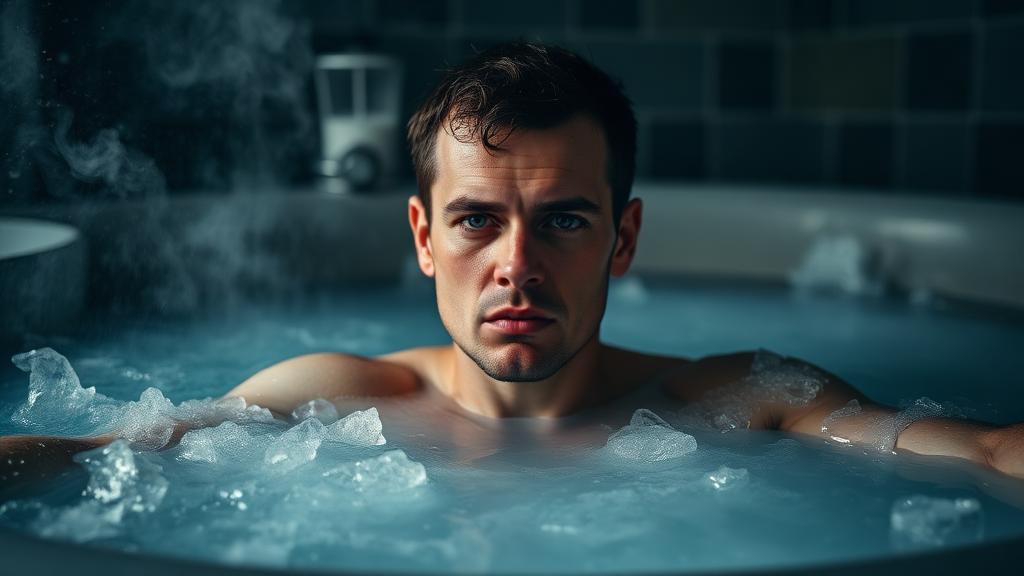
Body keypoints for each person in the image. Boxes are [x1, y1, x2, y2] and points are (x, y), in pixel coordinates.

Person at [1, 42, 1021, 483]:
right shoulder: (326, 398)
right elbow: (93, 455)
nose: (516, 266)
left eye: (565, 222)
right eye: (478, 221)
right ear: (421, 236)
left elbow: (976, 454)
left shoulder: (745, 400)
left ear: (622, 239)